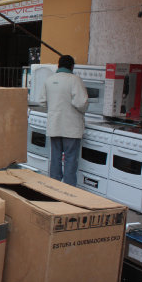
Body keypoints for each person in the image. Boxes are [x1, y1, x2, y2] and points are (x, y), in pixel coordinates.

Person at [39, 55, 88, 186]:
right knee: (70, 159)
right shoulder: (75, 80)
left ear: (58, 65)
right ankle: (69, 189)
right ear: (72, 66)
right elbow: (81, 103)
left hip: (54, 125)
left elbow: (42, 101)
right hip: (71, 127)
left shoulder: (49, 80)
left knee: (55, 158)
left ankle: (54, 186)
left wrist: (54, 107)